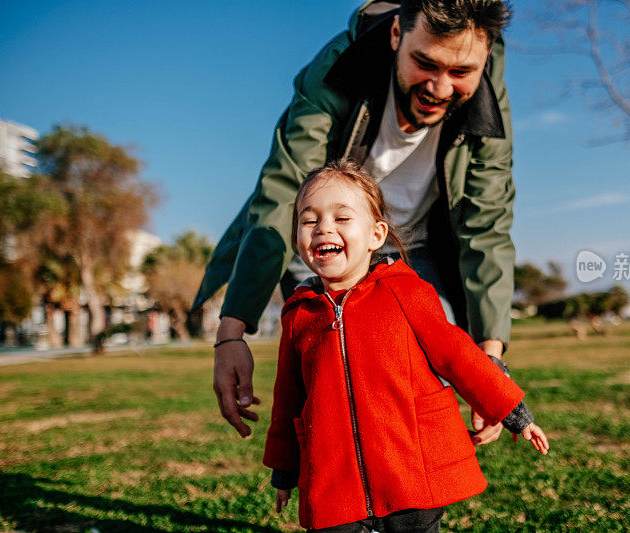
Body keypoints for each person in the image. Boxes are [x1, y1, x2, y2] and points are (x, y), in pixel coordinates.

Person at [196, 0, 518, 446]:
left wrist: (491, 360)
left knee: (426, 370)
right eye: (424, 63)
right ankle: (335, 498)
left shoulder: (487, 96)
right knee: (331, 377)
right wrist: (232, 332)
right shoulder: (335, 70)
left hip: (414, 245)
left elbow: (488, 225)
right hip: (327, 236)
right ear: (396, 35)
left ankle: (408, 507)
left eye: (461, 72)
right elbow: (284, 193)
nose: (440, 88)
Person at [263, 161, 548, 532]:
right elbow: (288, 397)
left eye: (342, 218)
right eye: (309, 219)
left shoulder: (406, 291)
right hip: (335, 488)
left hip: (410, 475)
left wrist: (512, 410)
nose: (323, 228)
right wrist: (286, 470)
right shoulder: (299, 314)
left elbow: (458, 355)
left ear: (376, 234)